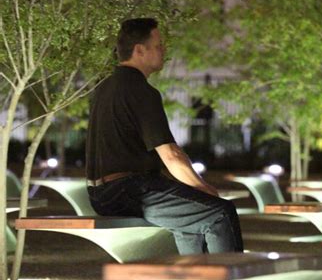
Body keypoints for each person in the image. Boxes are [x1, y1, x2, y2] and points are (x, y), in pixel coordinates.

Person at [86, 18, 243, 254]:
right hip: (129, 191)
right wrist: (203, 188)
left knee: (192, 222)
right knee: (220, 213)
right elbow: (171, 154)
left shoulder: (104, 88)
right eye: (159, 45)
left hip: (101, 193)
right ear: (139, 50)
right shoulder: (141, 90)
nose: (164, 51)